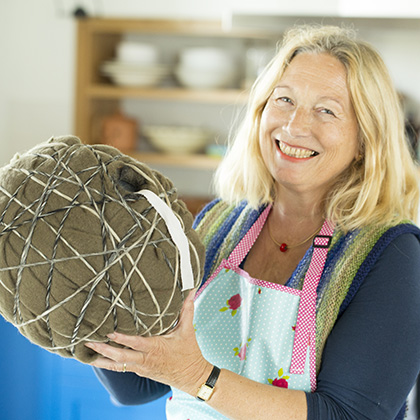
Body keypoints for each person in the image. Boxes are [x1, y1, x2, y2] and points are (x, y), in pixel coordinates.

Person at [85, 25, 420, 419]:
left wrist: (197, 376)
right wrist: (89, 286)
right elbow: (139, 384)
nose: (295, 126)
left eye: (327, 110)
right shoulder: (219, 224)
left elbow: (350, 415)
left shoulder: (392, 255)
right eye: (284, 100)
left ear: (366, 139)